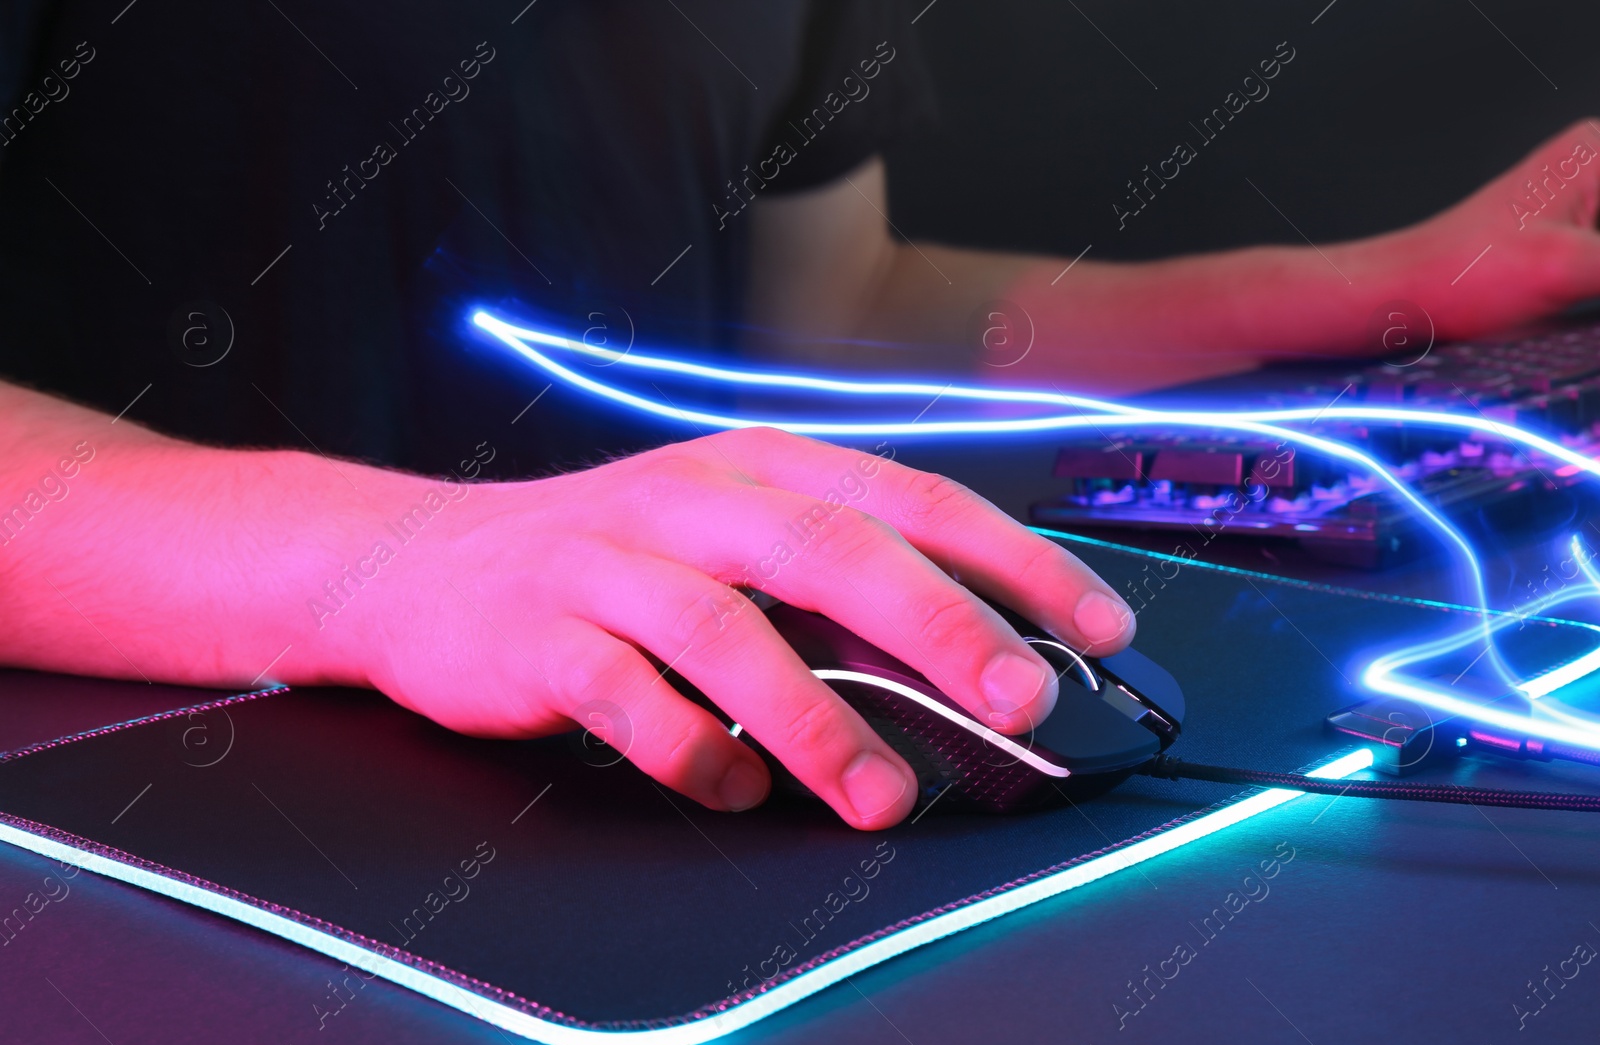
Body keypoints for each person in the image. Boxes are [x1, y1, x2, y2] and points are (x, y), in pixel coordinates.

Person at [1, 2, 1597, 831]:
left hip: (670, 767)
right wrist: (402, 558)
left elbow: (836, 304)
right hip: (167, 805)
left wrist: (1383, 287)